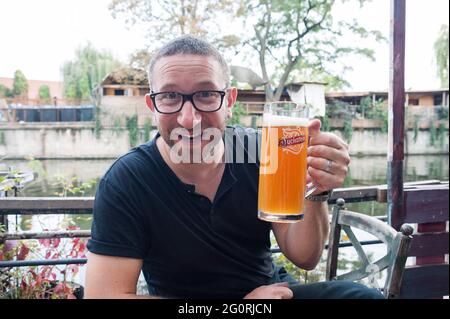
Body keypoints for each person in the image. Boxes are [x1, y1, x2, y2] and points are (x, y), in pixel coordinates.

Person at [84, 35, 382, 299]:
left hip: (269, 294)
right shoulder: (130, 179)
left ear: (230, 101)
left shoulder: (259, 150)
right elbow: (103, 294)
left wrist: (317, 186)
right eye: (171, 96)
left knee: (359, 296)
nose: (189, 119)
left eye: (206, 94)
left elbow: (305, 256)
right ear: (153, 106)